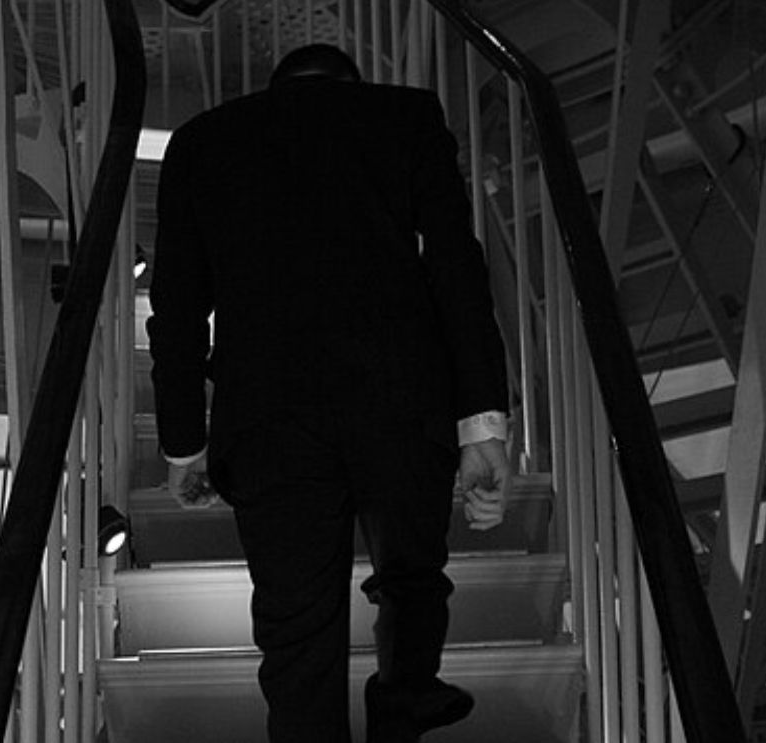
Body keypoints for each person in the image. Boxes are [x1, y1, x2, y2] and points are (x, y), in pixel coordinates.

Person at [147, 43, 512, 743]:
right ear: (352, 83)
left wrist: (183, 441)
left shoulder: (203, 142)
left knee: (295, 632)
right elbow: (455, 265)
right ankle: (404, 697)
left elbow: (178, 303)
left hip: (266, 418)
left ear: (276, 85)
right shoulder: (403, 116)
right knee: (410, 573)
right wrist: (480, 421)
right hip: (401, 401)